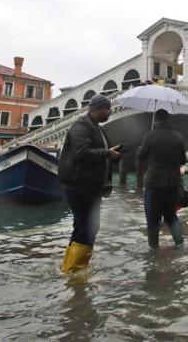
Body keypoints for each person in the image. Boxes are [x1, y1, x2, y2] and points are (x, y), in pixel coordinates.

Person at [58, 93, 122, 273]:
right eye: (108, 109)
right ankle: (75, 271)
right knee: (88, 226)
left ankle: (70, 268)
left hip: (89, 187)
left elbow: (97, 153)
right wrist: (108, 153)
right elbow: (81, 153)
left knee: (82, 226)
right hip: (79, 186)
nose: (110, 112)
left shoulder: (95, 128)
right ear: (99, 109)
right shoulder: (81, 126)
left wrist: (112, 154)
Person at [137, 108, 187, 249]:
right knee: (171, 217)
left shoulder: (150, 136)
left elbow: (140, 157)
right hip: (172, 183)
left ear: (156, 120)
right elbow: (182, 160)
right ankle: (180, 245)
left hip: (154, 183)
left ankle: (153, 250)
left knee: (152, 220)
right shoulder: (178, 137)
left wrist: (145, 147)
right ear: (167, 119)